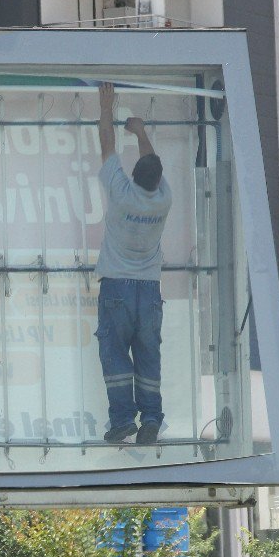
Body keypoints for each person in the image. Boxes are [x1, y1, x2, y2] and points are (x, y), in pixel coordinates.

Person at [95, 82, 172, 445]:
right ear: (157, 181)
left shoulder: (121, 194)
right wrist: (141, 130)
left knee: (114, 355)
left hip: (116, 287)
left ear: (134, 175)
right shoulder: (163, 200)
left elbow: (106, 146)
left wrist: (105, 104)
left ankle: (123, 419)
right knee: (147, 356)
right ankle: (152, 418)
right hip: (149, 289)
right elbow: (151, 164)